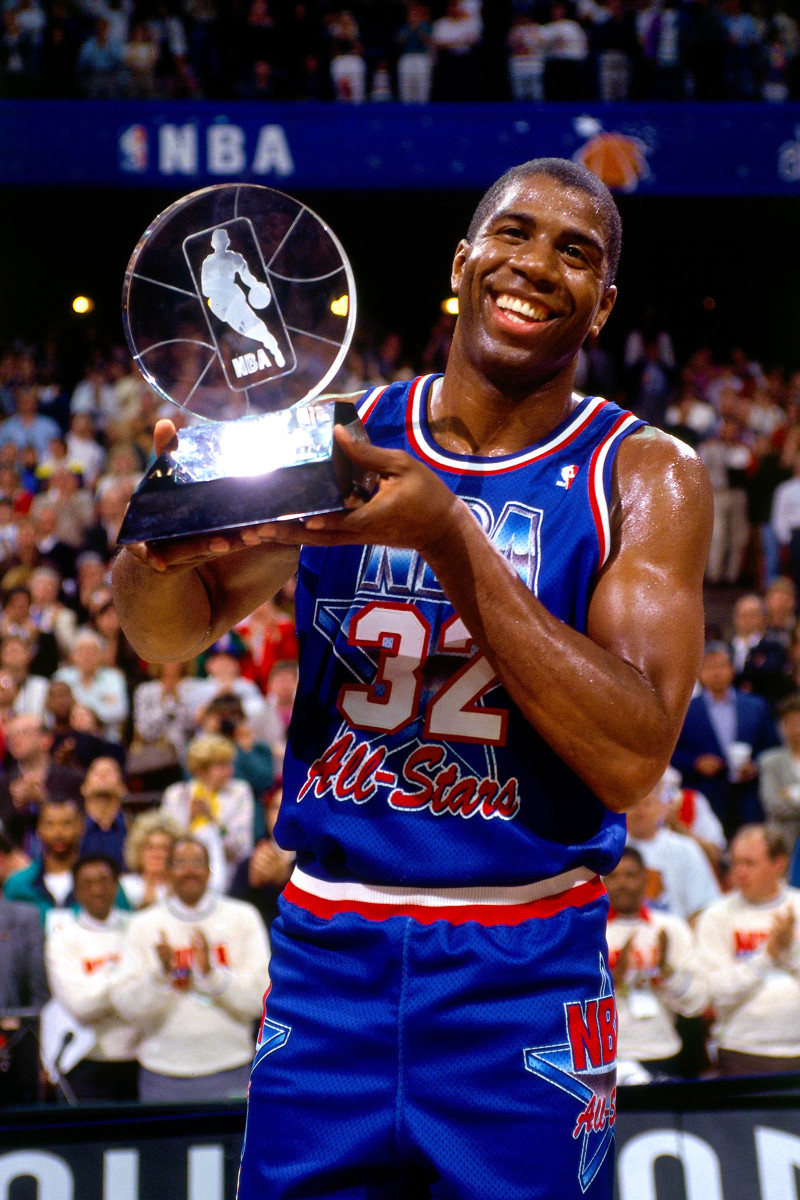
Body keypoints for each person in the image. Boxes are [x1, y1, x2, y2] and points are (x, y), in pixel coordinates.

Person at [112, 158, 712, 1200]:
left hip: (520, 968)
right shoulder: (344, 431)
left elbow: (630, 755)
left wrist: (448, 538)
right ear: (461, 262)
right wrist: (154, 533)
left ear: (601, 303)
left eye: (574, 253)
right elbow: (167, 629)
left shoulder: (643, 472)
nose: (535, 265)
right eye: (513, 234)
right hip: (329, 953)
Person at [112, 836, 270, 1102]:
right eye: (180, 863)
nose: (189, 870)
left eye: (197, 862)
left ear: (210, 871)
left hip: (230, 1067)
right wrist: (160, 975)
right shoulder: (143, 925)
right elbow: (126, 1007)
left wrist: (211, 975)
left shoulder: (243, 917)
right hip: (161, 1074)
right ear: (168, 872)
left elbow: (260, 1001)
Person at [695, 824, 800, 1075]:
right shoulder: (716, 915)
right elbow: (715, 991)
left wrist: (790, 951)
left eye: (750, 863)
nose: (739, 872)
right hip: (740, 1050)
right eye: (735, 863)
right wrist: (768, 955)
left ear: (779, 864)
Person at [606, 847, 707, 1080]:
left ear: (646, 879)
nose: (622, 883)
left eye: (630, 875)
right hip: (610, 1054)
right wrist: (614, 979)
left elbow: (697, 1002)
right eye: (613, 876)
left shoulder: (671, 928)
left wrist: (667, 972)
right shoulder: (590, 932)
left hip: (664, 1050)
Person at [43, 854, 139, 1101]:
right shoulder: (62, 940)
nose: (97, 889)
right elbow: (80, 1005)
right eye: (88, 883)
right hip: (87, 1061)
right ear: (77, 892)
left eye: (104, 880)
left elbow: (148, 995)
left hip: (139, 1059)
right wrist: (127, 979)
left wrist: (100, 988)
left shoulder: (139, 928)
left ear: (117, 885)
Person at [671, 642, 780, 839]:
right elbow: (671, 753)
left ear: (732, 669)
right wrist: (695, 763)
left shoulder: (755, 705)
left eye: (721, 665)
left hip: (749, 796)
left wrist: (755, 764)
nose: (716, 672)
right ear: (699, 672)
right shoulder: (686, 711)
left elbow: (772, 745)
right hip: (705, 795)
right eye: (709, 667)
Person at [625, 773, 721, 922]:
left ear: (661, 807)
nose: (641, 811)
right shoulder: (610, 849)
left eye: (647, 804)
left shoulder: (686, 849)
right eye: (635, 805)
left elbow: (703, 907)